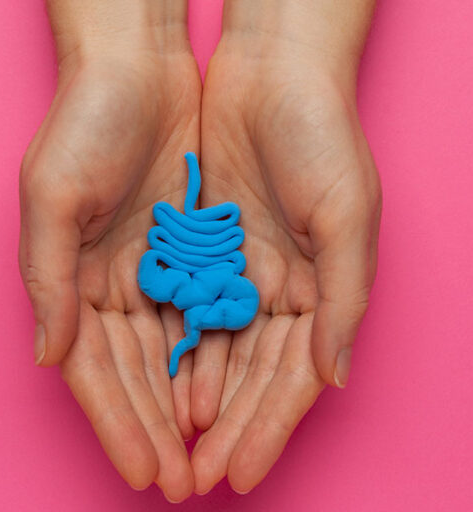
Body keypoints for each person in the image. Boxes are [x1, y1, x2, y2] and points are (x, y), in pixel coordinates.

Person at [19, 0, 381, 502]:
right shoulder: (191, 283)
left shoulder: (206, 285)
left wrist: (291, 52)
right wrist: (119, 52)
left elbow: (213, 282)